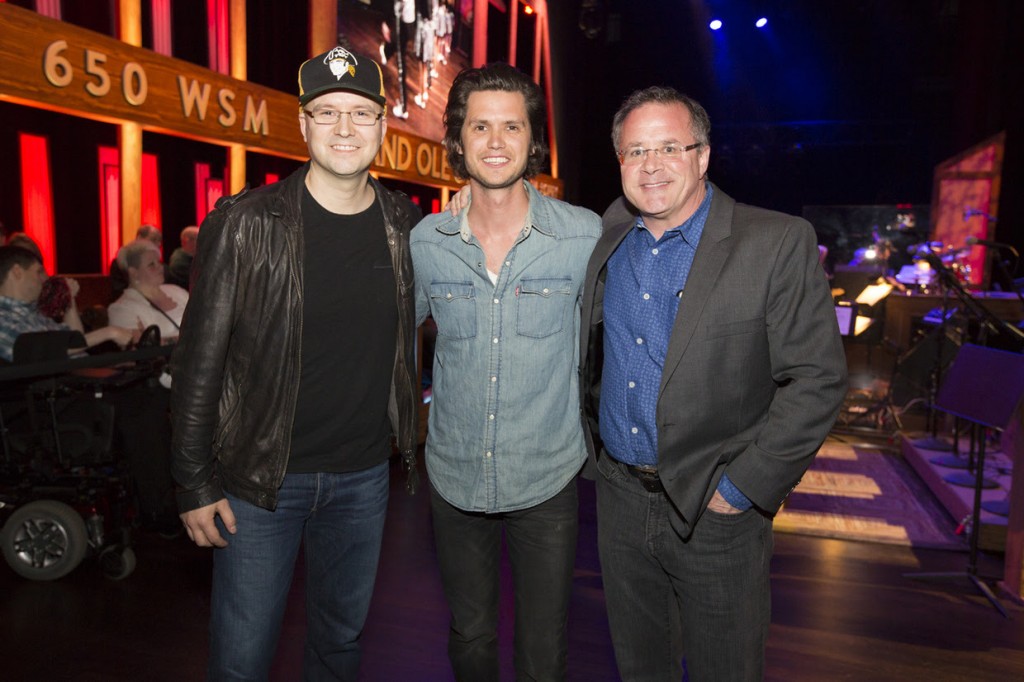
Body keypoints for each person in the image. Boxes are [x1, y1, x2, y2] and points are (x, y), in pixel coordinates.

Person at [579, 87, 848, 681]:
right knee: (639, 668)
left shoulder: (774, 241)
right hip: (620, 502)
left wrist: (744, 489)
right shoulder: (607, 235)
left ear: (703, 156)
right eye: (635, 151)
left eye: (669, 147)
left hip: (717, 510)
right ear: (619, 161)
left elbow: (818, 379)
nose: (651, 164)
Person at [170, 46, 420, 681]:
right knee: (242, 659)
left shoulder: (404, 225)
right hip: (259, 485)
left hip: (363, 478)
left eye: (360, 113)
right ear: (303, 124)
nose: (344, 128)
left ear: (383, 128)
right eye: (327, 112)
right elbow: (199, 361)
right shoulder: (244, 222)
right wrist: (194, 482)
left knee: (338, 648)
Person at [411, 62, 601, 681]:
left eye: (511, 127)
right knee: (469, 635)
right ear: (458, 141)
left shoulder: (583, 235)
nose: (495, 142)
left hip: (546, 476)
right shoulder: (426, 241)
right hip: (454, 475)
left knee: (544, 649)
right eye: (480, 126)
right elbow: (381, 341)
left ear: (533, 139)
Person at [0, 245, 134, 362]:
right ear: (17, 272)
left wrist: (69, 299)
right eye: (39, 272)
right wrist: (109, 333)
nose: (46, 278)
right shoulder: (3, 318)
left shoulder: (35, 313)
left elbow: (75, 341)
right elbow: (38, 350)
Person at [108, 239, 189, 342]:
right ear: (134, 272)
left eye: (159, 262)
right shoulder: (122, 308)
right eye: (152, 264)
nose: (160, 267)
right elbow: (140, 351)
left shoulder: (176, 291)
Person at [109, 225, 164, 301]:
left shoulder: (160, 266)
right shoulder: (119, 264)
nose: (158, 244)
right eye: (154, 239)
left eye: (159, 241)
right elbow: (119, 293)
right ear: (139, 238)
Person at [167, 225, 199, 289]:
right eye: (199, 238)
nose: (203, 242)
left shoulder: (196, 257)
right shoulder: (179, 263)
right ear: (187, 241)